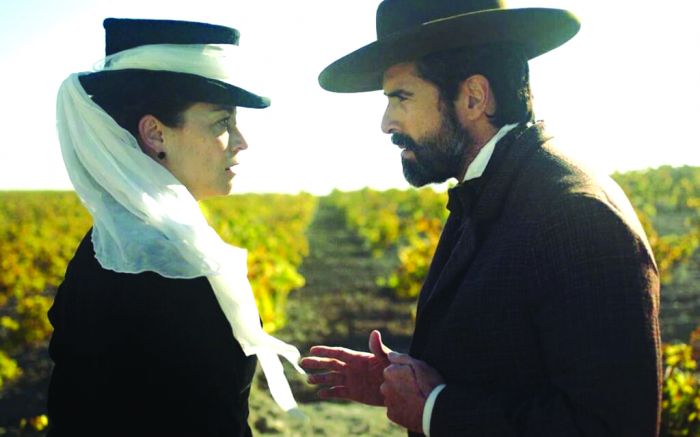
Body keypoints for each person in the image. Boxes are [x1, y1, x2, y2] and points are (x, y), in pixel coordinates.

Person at [300, 1, 662, 436]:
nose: (386, 123)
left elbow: (611, 425)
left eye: (401, 97)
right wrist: (404, 382)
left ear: (473, 97)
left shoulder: (576, 216)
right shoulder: (496, 188)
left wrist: (436, 409)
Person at [48, 18, 303, 437]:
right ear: (156, 135)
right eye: (222, 123)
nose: (241, 141)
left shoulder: (110, 245)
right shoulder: (168, 268)